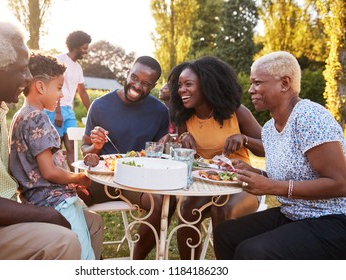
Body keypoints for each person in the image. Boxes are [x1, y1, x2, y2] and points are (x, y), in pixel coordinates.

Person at [0, 21, 102, 260]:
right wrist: (44, 214)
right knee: (63, 241)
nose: (28, 78)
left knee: (92, 224)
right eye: (22, 70)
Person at [214, 51, 346, 259]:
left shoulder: (310, 116)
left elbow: (341, 184)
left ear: (285, 83)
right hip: (294, 214)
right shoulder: (269, 129)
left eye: (257, 83)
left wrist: (273, 187)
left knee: (253, 252)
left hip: (334, 220)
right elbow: (288, 176)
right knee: (226, 234)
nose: (251, 90)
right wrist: (254, 173)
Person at [159, 56, 265, 259]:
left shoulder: (237, 113)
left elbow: (267, 148)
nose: (181, 90)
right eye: (180, 85)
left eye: (188, 84)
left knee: (222, 211)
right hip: (206, 183)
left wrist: (244, 139)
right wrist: (182, 138)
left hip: (242, 183)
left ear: (207, 85)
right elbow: (185, 156)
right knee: (187, 210)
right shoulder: (185, 117)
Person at [79, 56, 176, 259]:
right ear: (127, 73)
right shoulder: (99, 105)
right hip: (101, 180)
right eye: (134, 78)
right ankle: (90, 258)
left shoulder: (159, 111)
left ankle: (134, 262)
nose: (137, 86)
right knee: (69, 200)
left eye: (146, 83)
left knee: (163, 201)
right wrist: (95, 147)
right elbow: (85, 154)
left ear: (154, 85)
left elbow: (159, 156)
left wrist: (164, 147)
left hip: (137, 184)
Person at [9, 53, 100, 260]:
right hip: (55, 202)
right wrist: (79, 178)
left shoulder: (20, 116)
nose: (61, 96)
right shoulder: (38, 118)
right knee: (83, 257)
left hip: (38, 199)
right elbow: (49, 172)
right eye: (59, 88)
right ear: (40, 87)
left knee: (91, 227)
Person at [46, 30, 92, 172]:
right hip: (55, 109)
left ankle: (73, 179)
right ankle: (57, 178)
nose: (86, 51)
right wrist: (58, 112)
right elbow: (54, 87)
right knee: (56, 147)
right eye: (84, 47)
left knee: (72, 146)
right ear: (75, 46)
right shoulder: (59, 60)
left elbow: (82, 92)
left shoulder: (78, 68)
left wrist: (93, 112)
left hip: (69, 111)